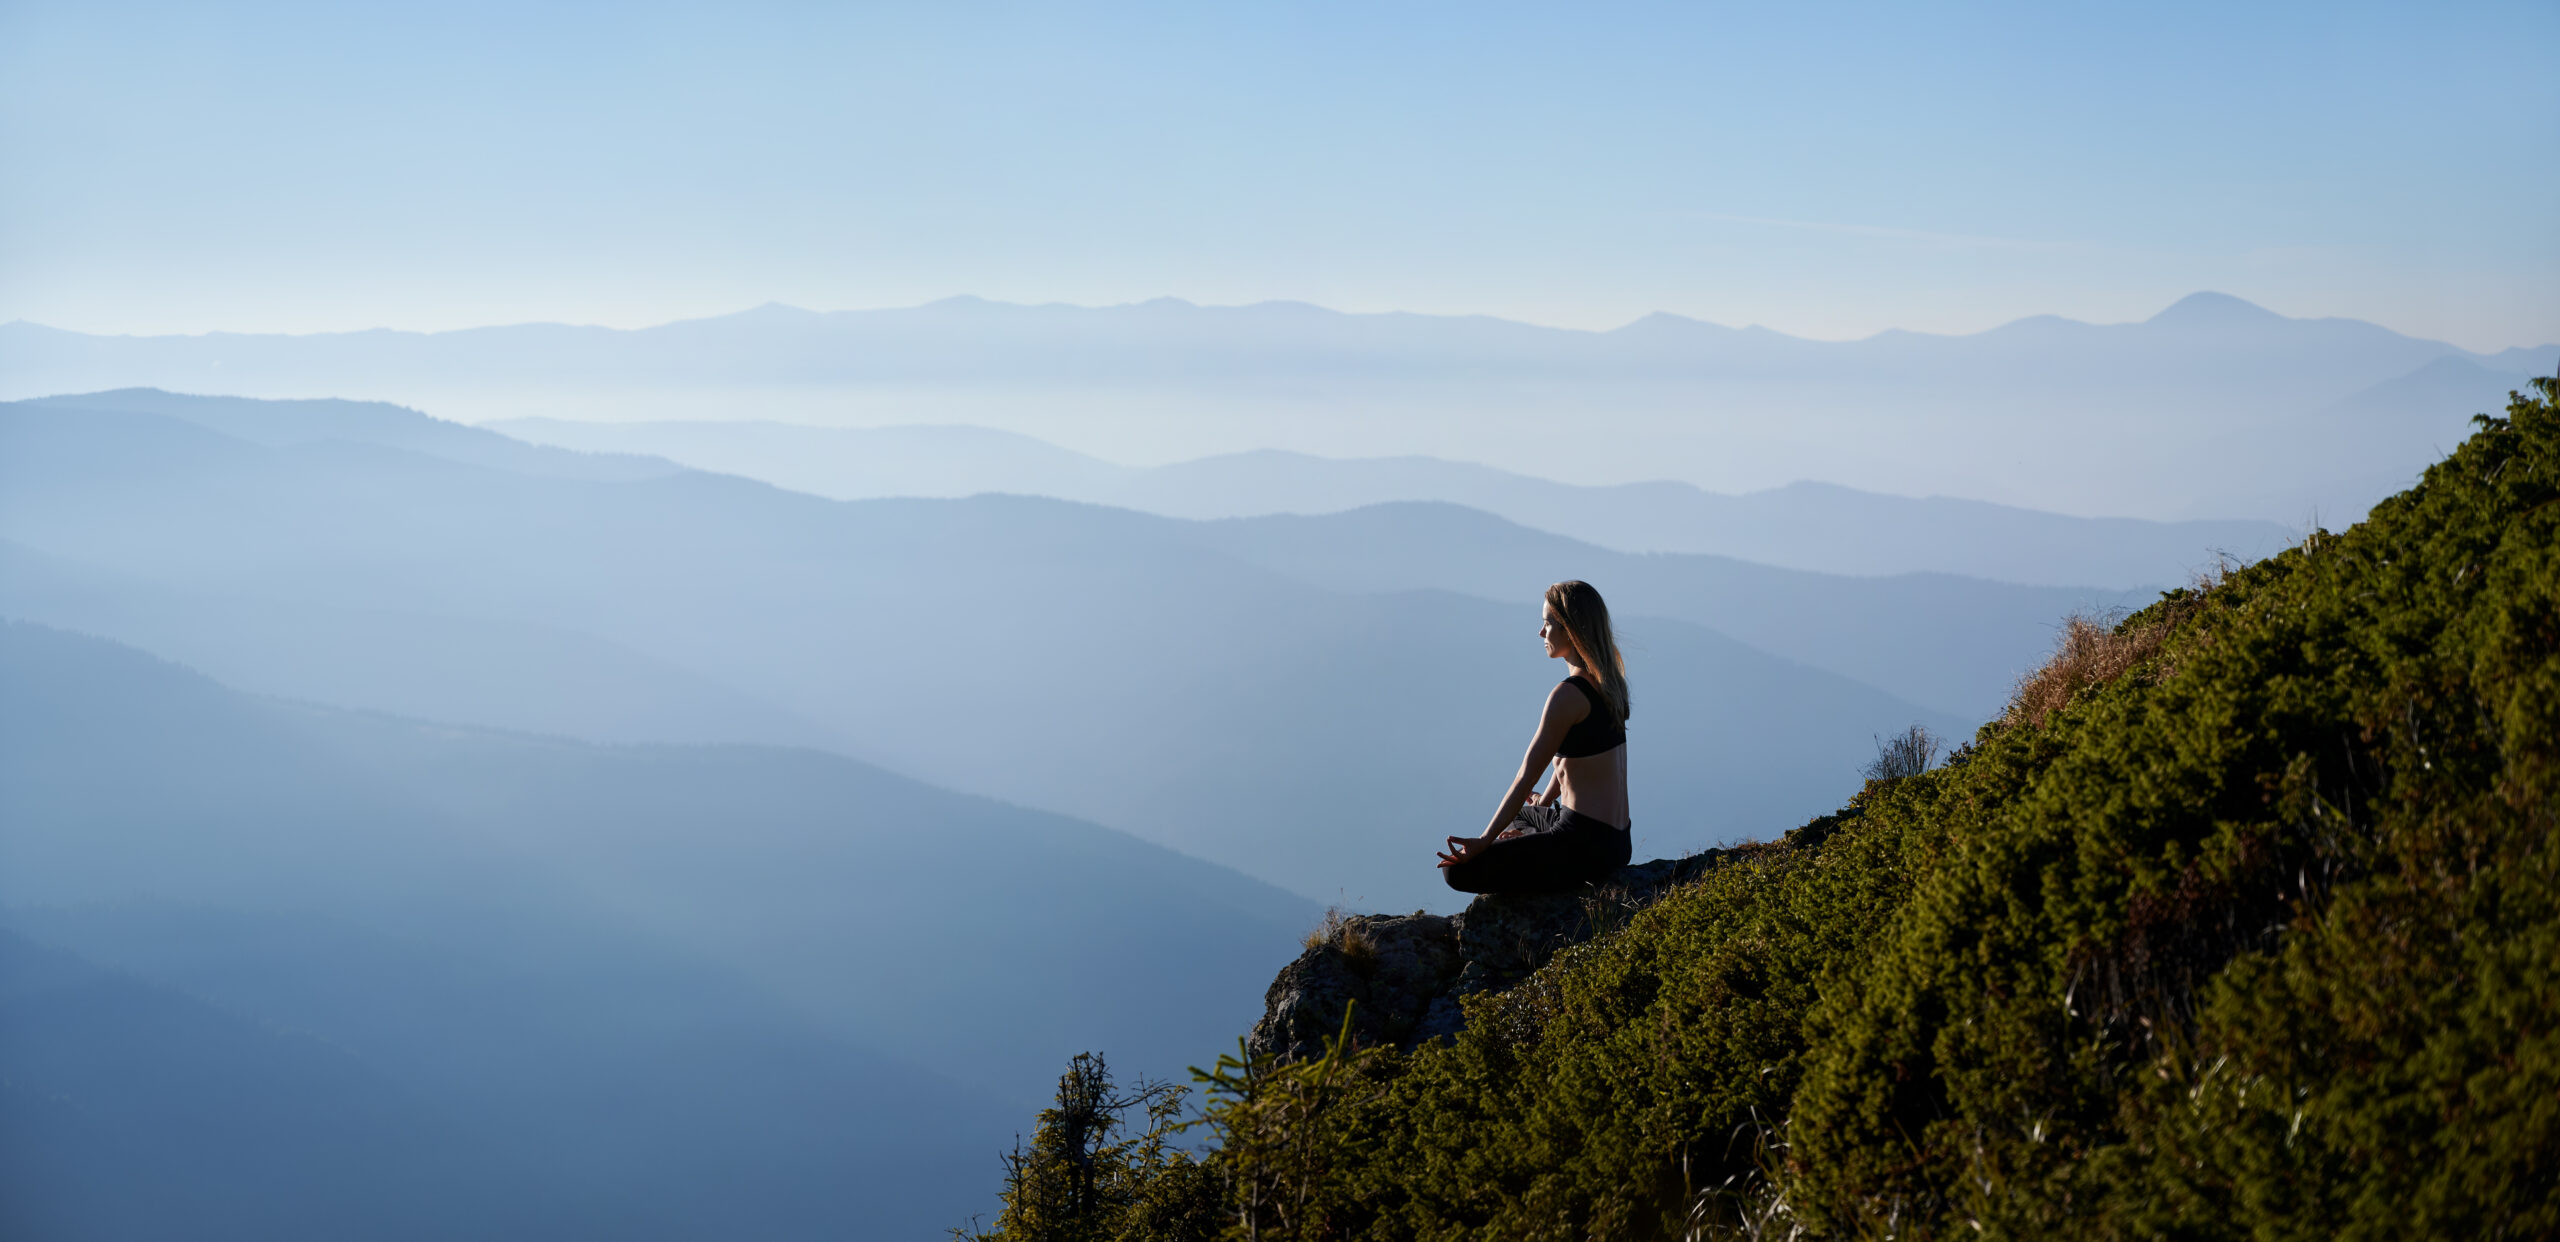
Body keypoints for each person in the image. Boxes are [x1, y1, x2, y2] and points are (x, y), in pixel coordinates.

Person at [1437, 580, 1632, 894]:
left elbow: (1526, 776)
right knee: (1523, 814)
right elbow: (1574, 757)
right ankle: (1531, 843)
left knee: (1456, 871)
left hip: (1583, 846)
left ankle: (1537, 862)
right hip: (1618, 842)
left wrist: (1484, 841)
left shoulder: (1567, 696)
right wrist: (1546, 799)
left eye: (1548, 624)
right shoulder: (1609, 685)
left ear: (1570, 631)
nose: (1541, 633)